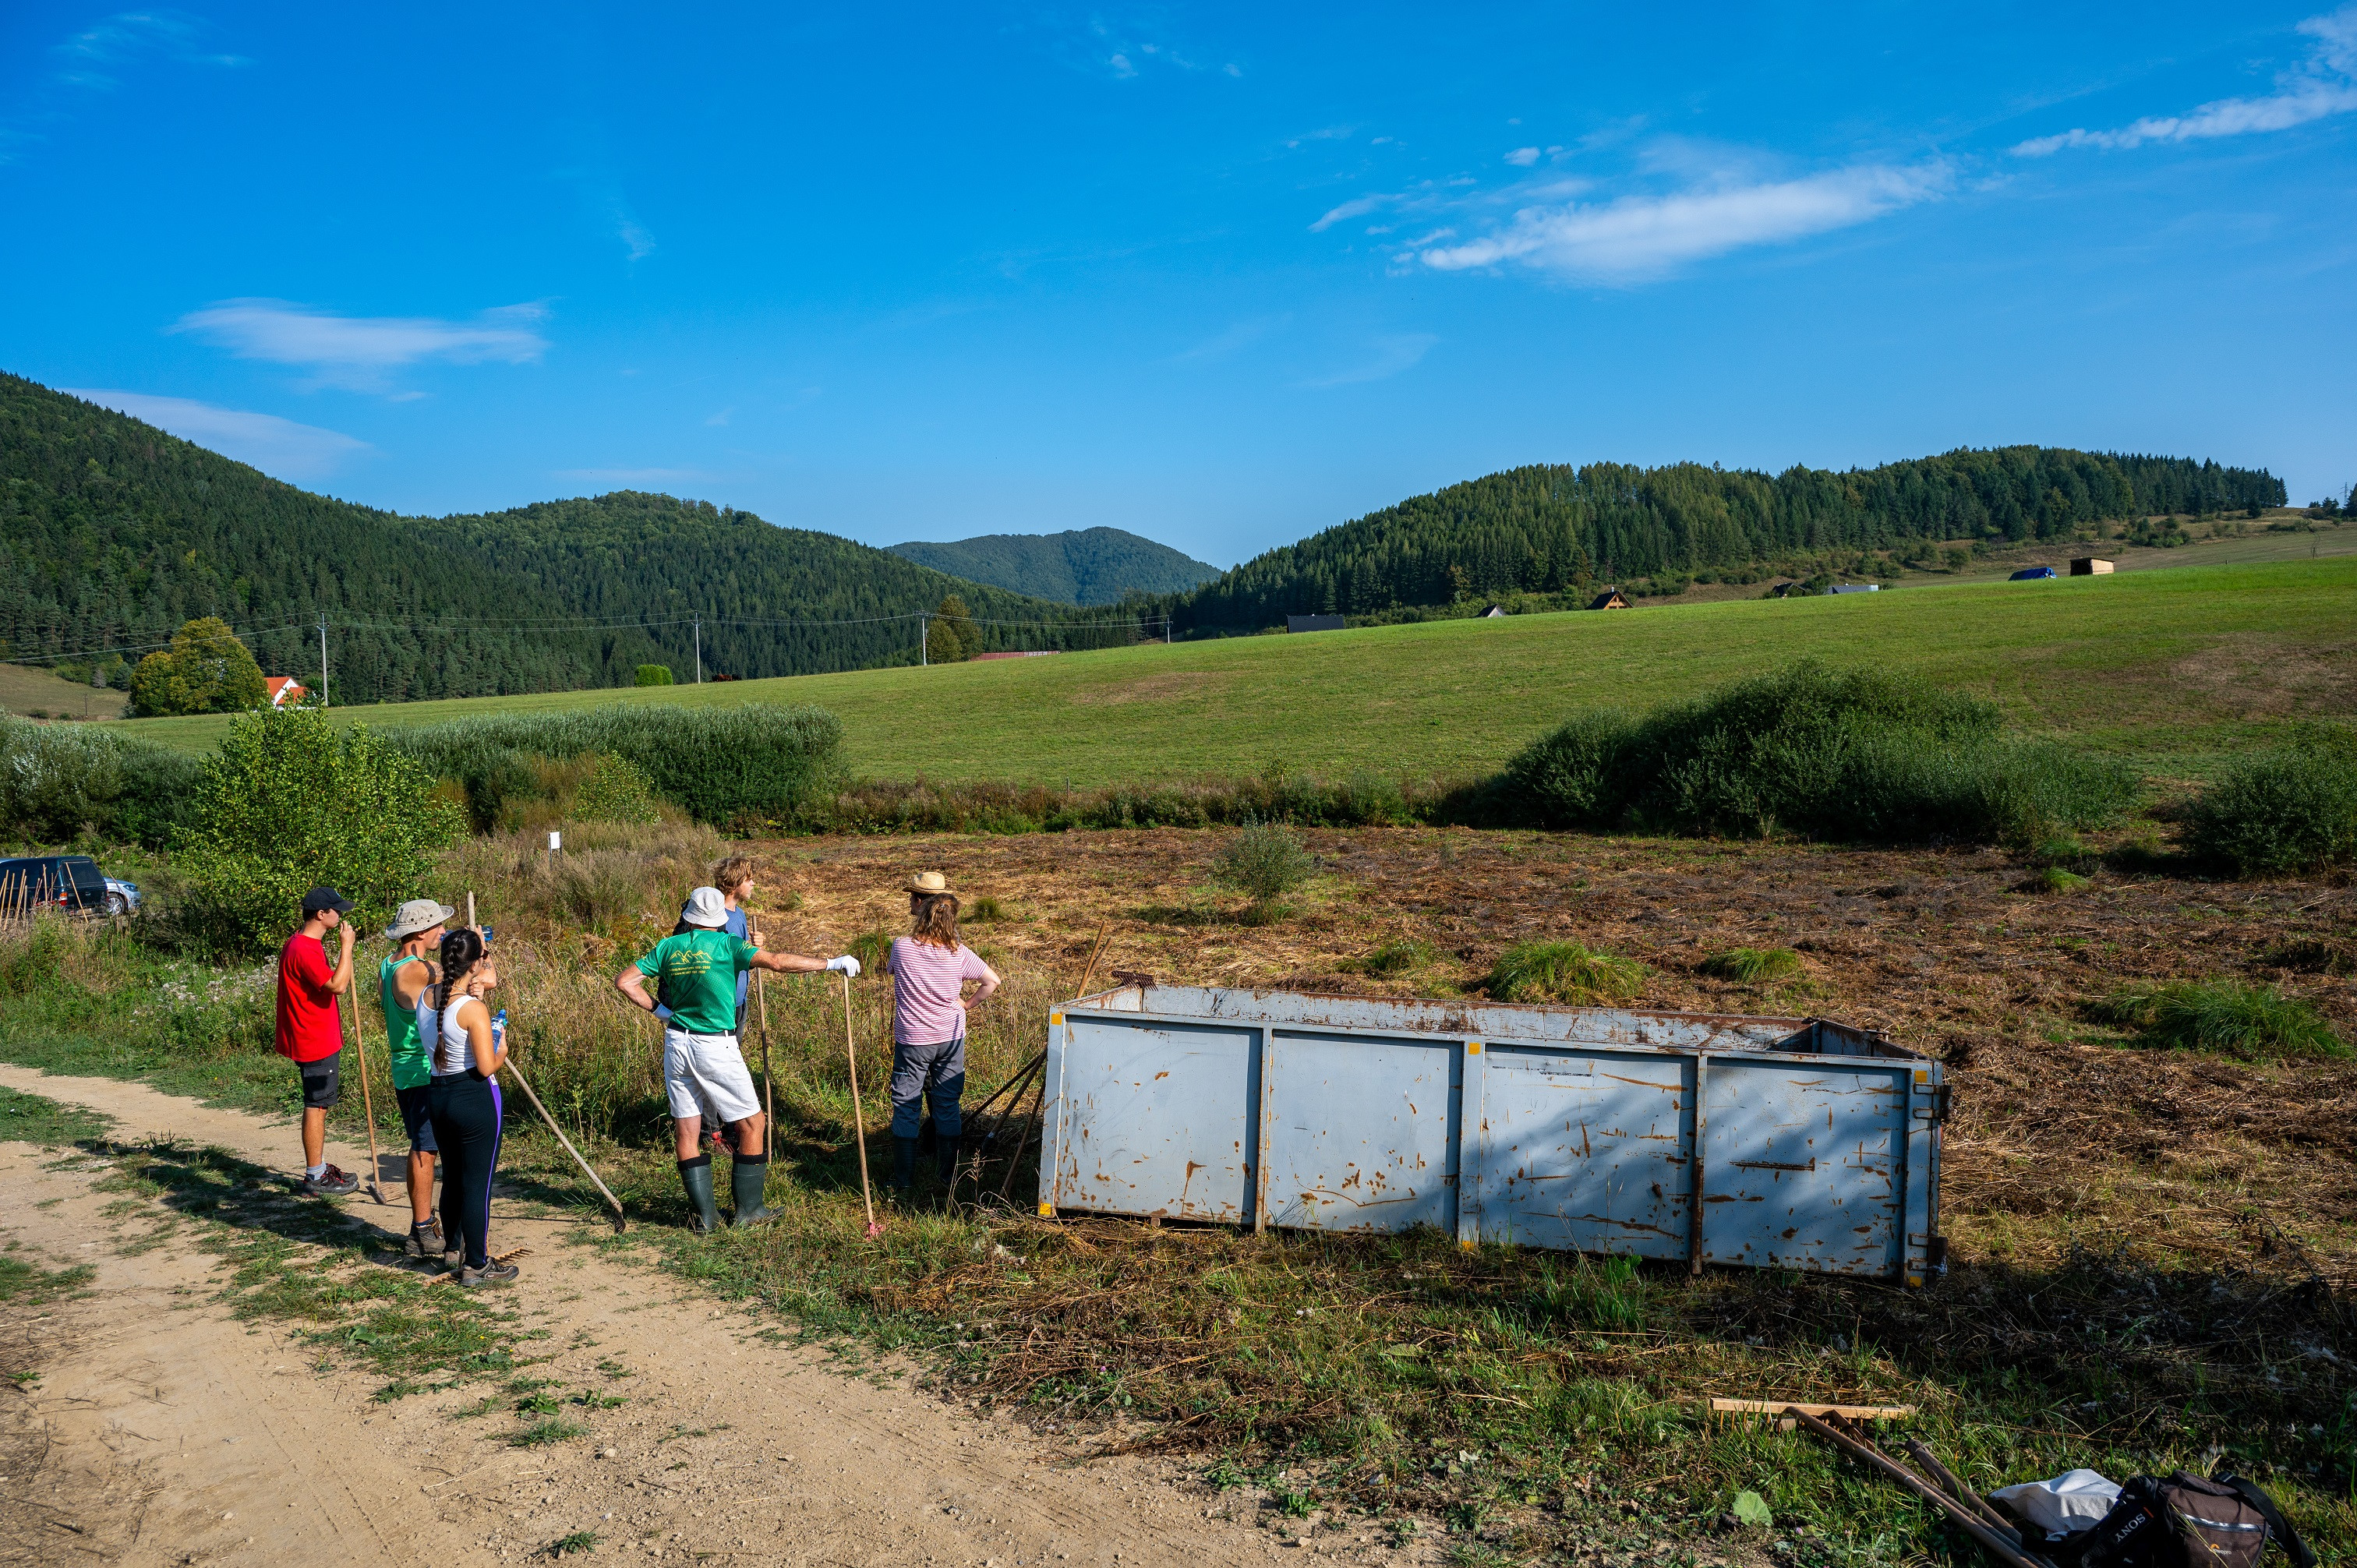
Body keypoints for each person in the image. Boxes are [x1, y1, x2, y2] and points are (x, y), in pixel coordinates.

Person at [617, 886, 859, 1231]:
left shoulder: (668, 947)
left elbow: (625, 981)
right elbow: (775, 962)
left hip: (676, 1044)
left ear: (689, 917)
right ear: (719, 919)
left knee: (687, 1129)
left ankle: (706, 1218)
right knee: (752, 1124)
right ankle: (749, 1210)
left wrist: (663, 1012)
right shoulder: (728, 944)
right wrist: (831, 963)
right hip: (715, 1046)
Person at [884, 872, 1000, 1193]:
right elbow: (993, 982)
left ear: (922, 907)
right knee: (947, 1103)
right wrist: (966, 1005)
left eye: (912, 898)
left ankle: (903, 1179)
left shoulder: (902, 947)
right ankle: (948, 1175)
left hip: (913, 1040)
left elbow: (892, 970)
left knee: (907, 1103)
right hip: (950, 1038)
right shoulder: (959, 952)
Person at [422, 927, 515, 1286]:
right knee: (478, 1183)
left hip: (438, 1094)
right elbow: (486, 1065)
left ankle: (452, 1247)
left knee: (454, 1178)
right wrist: (502, 1046)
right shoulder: (472, 1009)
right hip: (472, 1098)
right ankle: (477, 1263)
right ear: (476, 963)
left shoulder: (428, 997)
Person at [381, 898, 454, 1259]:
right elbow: (454, 981)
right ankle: (424, 1228)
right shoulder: (413, 970)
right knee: (426, 1147)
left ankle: (420, 1228)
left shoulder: (393, 962)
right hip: (419, 1069)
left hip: (409, 1066)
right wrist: (473, 954)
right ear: (420, 931)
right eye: (438, 926)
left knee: (425, 1145)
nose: (442, 931)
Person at [275, 885, 359, 1197]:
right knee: (318, 1104)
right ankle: (315, 1175)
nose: (341, 914)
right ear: (321, 914)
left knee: (319, 1102)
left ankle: (319, 1169)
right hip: (314, 1039)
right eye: (336, 910)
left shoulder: (301, 942)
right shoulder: (305, 949)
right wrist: (347, 947)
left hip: (312, 1034)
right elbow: (337, 985)